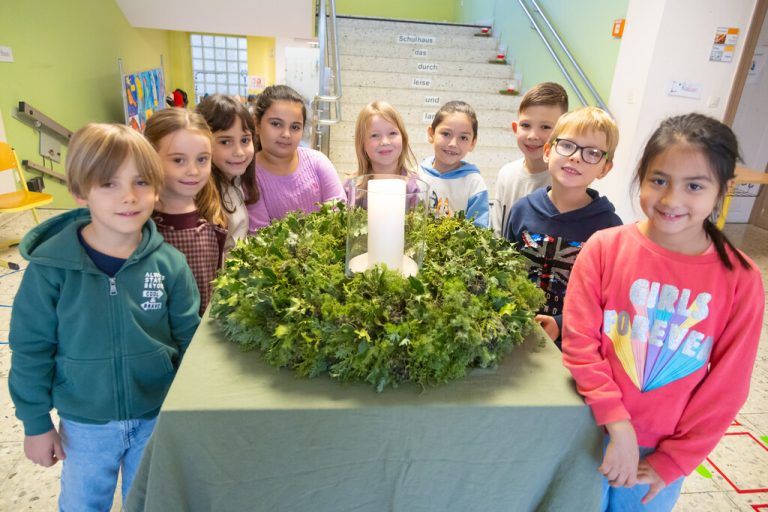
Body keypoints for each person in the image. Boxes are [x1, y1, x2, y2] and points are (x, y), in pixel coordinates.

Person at [562, 113, 764, 511]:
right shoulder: (604, 248)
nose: (671, 199)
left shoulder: (741, 278)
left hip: (658, 453)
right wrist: (617, 425)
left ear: (723, 189)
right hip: (584, 430)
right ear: (641, 176)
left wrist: (675, 459)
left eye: (694, 186)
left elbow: (727, 387)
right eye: (659, 180)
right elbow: (579, 343)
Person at [8, 123, 201, 511]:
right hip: (85, 425)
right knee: (82, 505)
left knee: (147, 503)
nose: (129, 197)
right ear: (81, 192)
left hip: (155, 418)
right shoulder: (50, 270)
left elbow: (190, 341)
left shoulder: (170, 265)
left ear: (157, 188)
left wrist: (192, 413)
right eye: (108, 184)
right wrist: (36, 423)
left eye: (142, 182)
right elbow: (31, 350)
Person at [505, 106, 621, 345]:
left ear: (605, 168)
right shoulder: (522, 210)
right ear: (548, 151)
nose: (576, 157)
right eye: (567, 145)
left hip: (574, 343)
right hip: (515, 332)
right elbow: (503, 271)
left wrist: (561, 324)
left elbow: (607, 300)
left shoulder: (610, 228)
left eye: (592, 153)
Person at [144, 108, 227, 315]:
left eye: (202, 159)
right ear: (151, 157)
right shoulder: (140, 222)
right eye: (178, 160)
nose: (193, 171)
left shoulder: (212, 214)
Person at [246, 85, 345, 230]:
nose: (286, 134)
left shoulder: (318, 162)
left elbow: (338, 216)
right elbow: (260, 236)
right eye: (276, 124)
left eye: (295, 127)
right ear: (257, 124)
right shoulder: (249, 175)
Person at [491, 82, 568, 237]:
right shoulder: (507, 173)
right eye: (525, 125)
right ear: (515, 128)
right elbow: (496, 230)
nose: (533, 136)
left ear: (562, 132)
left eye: (545, 127)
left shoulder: (566, 180)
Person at [196, 94, 262, 254]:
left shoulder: (235, 179)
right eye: (225, 142)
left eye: (245, 140)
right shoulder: (201, 199)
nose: (239, 152)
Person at [418, 100, 489, 228]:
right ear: (431, 134)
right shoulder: (416, 175)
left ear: (472, 143)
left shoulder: (474, 183)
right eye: (446, 134)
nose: (453, 144)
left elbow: (479, 231)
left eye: (463, 138)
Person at [346, 100, 421, 204]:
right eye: (375, 135)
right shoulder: (351, 188)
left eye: (392, 133)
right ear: (362, 143)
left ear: (403, 138)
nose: (385, 142)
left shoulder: (415, 186)